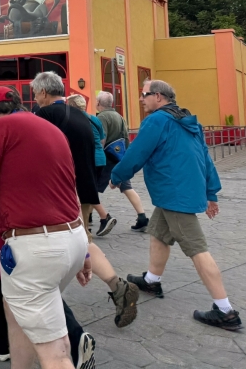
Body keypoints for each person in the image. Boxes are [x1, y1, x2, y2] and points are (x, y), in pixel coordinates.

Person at [0, 86, 91, 369]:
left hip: (35, 247)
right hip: (73, 236)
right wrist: (87, 251)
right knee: (17, 312)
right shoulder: (51, 130)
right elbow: (71, 191)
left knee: (54, 351)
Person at [113, 80, 242, 331]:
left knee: (197, 249)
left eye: (144, 95)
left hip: (174, 194)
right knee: (158, 233)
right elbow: (204, 157)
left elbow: (138, 152)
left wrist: (118, 176)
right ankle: (152, 280)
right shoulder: (189, 121)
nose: (141, 99)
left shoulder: (156, 121)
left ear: (158, 97)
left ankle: (225, 310)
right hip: (177, 192)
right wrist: (211, 192)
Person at [32, 72, 139, 329]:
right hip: (85, 189)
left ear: (44, 93)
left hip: (60, 192)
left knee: (67, 244)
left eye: (36, 94)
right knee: (83, 239)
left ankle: (54, 309)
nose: (35, 99)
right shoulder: (82, 116)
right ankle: (117, 285)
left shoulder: (44, 117)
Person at [96, 91, 149, 231]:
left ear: (98, 103)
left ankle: (93, 218)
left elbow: (102, 139)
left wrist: (97, 155)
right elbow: (126, 138)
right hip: (119, 157)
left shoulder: (102, 117)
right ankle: (142, 216)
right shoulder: (119, 116)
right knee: (126, 187)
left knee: (93, 189)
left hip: (107, 159)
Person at [66, 94, 117, 237]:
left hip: (88, 159)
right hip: (100, 158)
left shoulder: (74, 120)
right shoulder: (94, 118)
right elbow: (102, 139)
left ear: (72, 106)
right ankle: (89, 221)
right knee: (90, 190)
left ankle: (96, 221)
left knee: (85, 192)